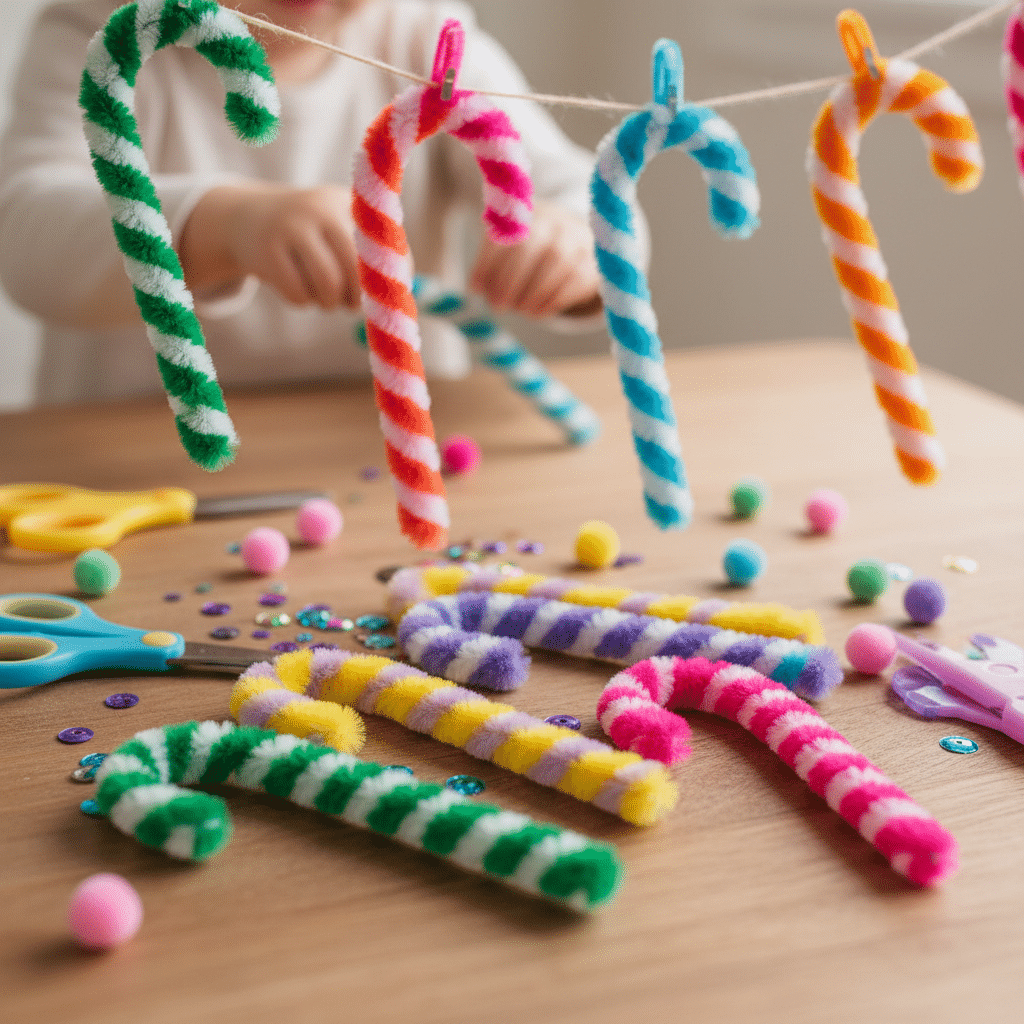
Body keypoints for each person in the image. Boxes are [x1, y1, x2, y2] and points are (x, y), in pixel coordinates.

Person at [0, 0, 605, 405]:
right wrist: (224, 223)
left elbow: (568, 186)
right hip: (128, 464)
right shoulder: (101, 39)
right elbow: (27, 233)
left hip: (385, 456)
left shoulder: (426, 40)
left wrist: (571, 242)